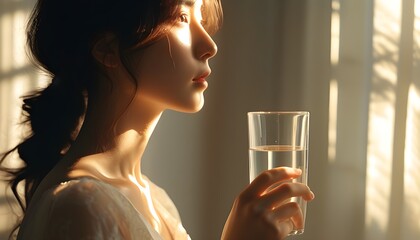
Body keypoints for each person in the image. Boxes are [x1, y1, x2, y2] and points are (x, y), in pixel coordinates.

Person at [0, 0, 315, 239]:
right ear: (108, 50)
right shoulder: (80, 205)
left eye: (200, 17)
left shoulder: (155, 200)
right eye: (181, 17)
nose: (210, 46)